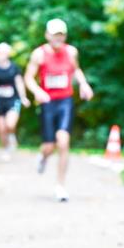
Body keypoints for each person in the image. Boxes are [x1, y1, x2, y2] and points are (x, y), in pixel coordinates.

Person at [24, 19, 94, 202]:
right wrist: (37, 91)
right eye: (55, 34)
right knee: (49, 146)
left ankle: (60, 187)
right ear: (47, 35)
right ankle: (43, 156)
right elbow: (28, 78)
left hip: (65, 101)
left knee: (63, 141)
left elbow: (76, 70)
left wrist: (84, 84)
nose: (58, 38)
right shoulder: (38, 54)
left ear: (65, 36)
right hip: (47, 102)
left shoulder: (71, 52)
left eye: (61, 34)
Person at [0, 42, 30, 161]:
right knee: (1, 128)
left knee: (10, 124)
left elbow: (19, 83)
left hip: (13, 100)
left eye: (3, 52)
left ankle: (12, 134)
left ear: (8, 54)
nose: (0, 55)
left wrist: (23, 97)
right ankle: (5, 150)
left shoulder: (14, 68)